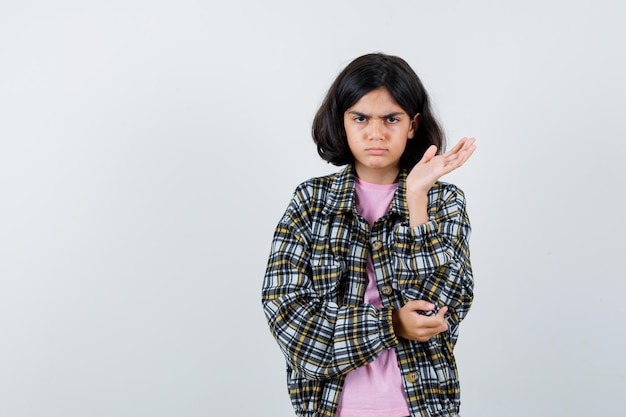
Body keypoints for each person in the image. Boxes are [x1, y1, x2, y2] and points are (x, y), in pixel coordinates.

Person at [262, 52, 476, 417]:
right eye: (360, 118)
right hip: (330, 407)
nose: (376, 133)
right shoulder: (311, 202)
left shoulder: (444, 201)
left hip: (423, 406)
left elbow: (441, 311)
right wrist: (390, 324)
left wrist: (416, 199)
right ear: (342, 122)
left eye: (391, 118)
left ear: (412, 124)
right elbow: (289, 320)